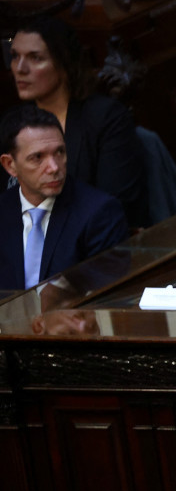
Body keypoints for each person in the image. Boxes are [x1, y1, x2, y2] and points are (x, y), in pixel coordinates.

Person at [9, 18, 148, 229]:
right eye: (14, 56)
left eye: (35, 58)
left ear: (63, 64)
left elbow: (115, 207)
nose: (19, 69)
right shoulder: (13, 125)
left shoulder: (105, 118)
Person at [0, 106, 129, 291]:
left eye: (59, 152)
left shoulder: (99, 212)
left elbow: (108, 296)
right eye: (37, 157)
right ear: (10, 165)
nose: (54, 167)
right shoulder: (3, 210)